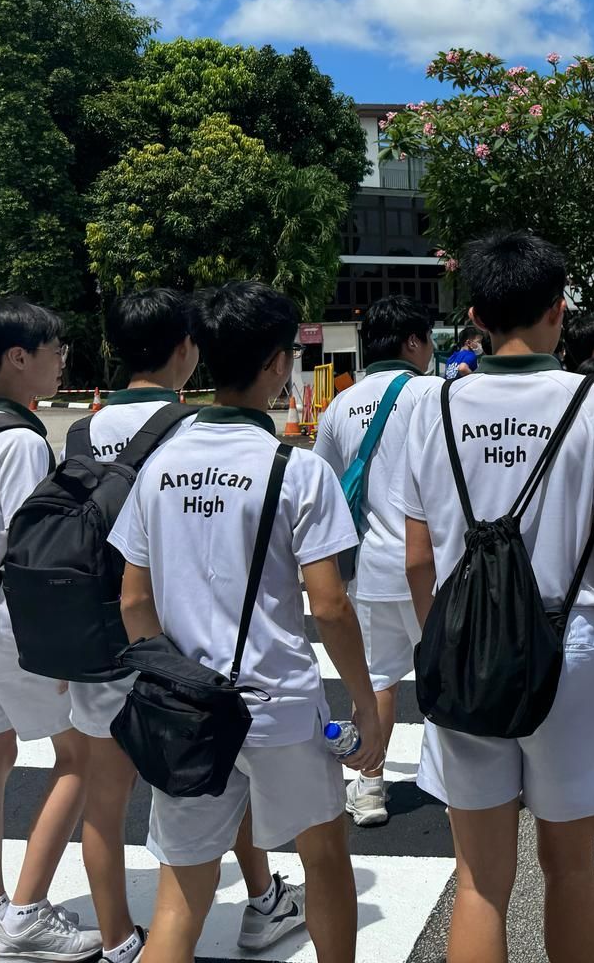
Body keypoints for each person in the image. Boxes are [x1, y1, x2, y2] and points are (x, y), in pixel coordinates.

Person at [400, 231, 594, 963]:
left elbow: (418, 558)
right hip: (570, 654)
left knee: (481, 883)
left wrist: (446, 642)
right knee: (572, 869)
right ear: (559, 310)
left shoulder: (430, 406)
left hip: (462, 656)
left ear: (479, 314)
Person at [112, 281, 385, 963]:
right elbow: (328, 604)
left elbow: (132, 603)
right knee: (323, 857)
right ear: (275, 362)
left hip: (188, 709)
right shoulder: (295, 467)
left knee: (180, 901)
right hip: (280, 704)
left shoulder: (159, 462)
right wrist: (363, 702)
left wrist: (165, 676)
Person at [72, 289, 288, 962]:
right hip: (174, 649)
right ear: (186, 349)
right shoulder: (187, 428)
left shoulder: (84, 428)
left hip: (94, 638)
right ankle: (263, 902)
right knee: (222, 768)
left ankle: (115, 940)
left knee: (102, 803)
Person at [0, 299, 100, 961]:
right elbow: (36, 555)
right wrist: (63, 641)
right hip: (10, 626)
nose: (61, 356)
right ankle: (26, 915)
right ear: (19, 357)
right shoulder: (19, 440)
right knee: (83, 756)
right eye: (54, 347)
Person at [312, 295, 438, 829]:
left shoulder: (341, 405)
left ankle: (369, 788)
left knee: (378, 682)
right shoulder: (437, 394)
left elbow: (324, 485)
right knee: (447, 679)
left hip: (371, 571)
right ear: (412, 341)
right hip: (434, 567)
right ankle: (464, 785)